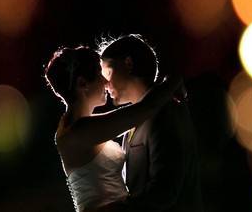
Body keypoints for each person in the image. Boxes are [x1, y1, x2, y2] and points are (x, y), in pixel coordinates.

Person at [44, 46, 181, 212]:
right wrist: (174, 80)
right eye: (99, 74)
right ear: (82, 84)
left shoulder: (83, 126)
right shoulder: (79, 131)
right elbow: (145, 108)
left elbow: (135, 115)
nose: (106, 81)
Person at [99, 34, 203, 212]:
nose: (105, 84)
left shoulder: (165, 111)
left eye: (108, 72)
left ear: (128, 64)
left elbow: (165, 189)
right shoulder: (133, 120)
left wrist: (115, 209)